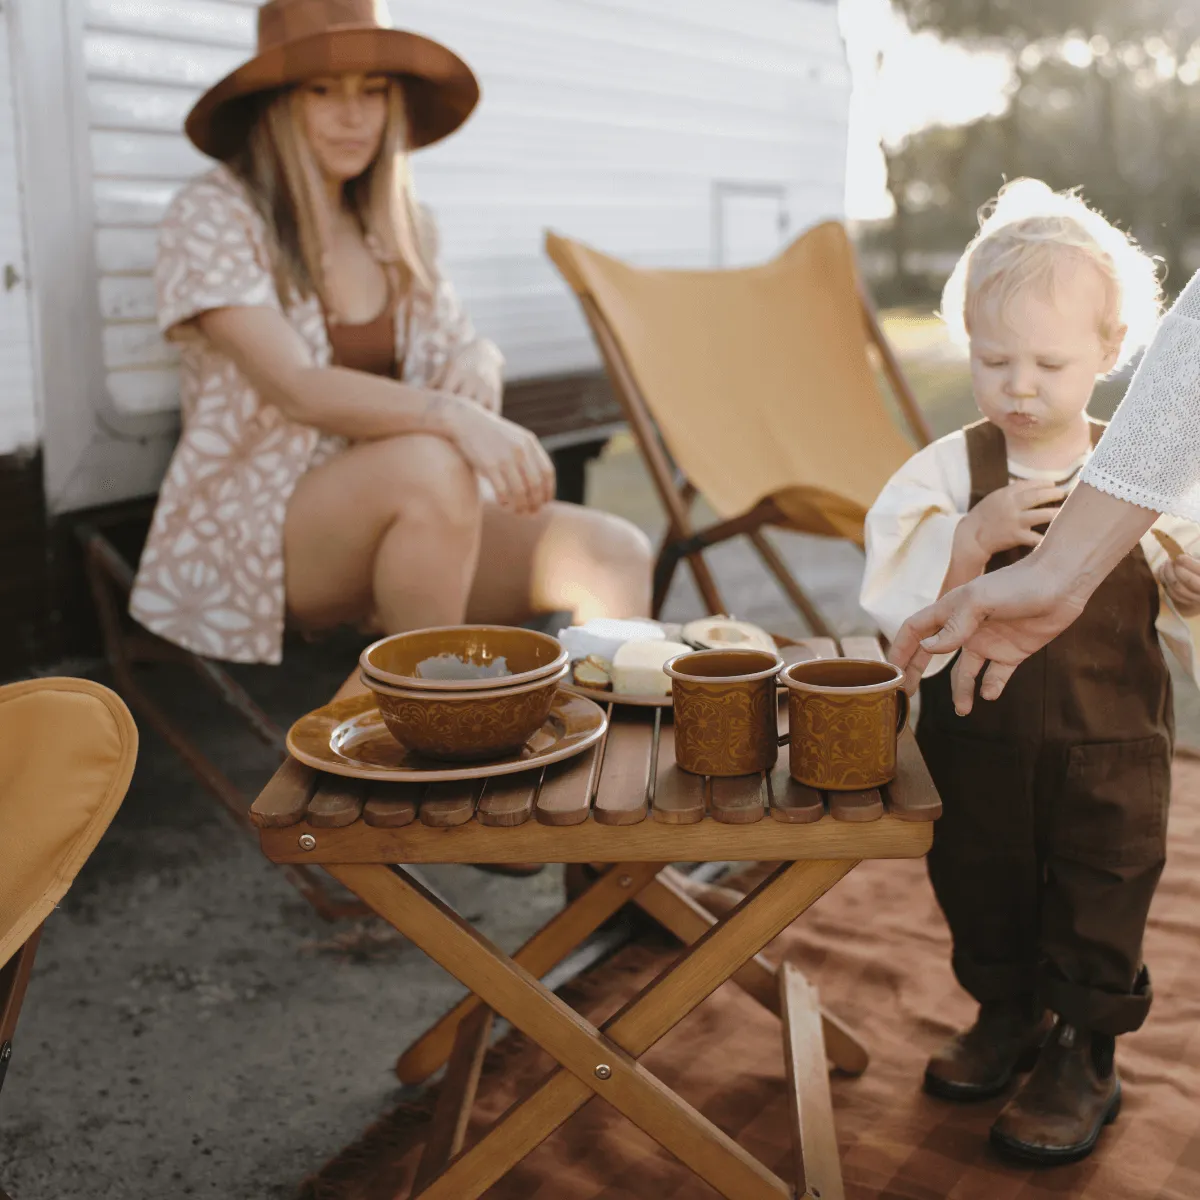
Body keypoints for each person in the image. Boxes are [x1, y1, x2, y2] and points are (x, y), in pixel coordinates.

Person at [129, 0, 652, 672]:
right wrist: (456, 416)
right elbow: (295, 388)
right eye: (324, 91)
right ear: (279, 102)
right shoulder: (214, 213)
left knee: (615, 553)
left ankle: (594, 769)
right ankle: (435, 726)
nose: (354, 115)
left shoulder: (401, 227)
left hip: (419, 514)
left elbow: (458, 346)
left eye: (372, 93)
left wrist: (481, 359)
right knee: (432, 466)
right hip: (263, 532)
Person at [861, 180, 1200, 1164]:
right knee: (981, 877)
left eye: (1049, 363)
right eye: (993, 357)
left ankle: (1084, 1053)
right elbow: (894, 599)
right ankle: (1006, 1012)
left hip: (1112, 749)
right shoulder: (944, 474)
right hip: (980, 747)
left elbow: (1183, 610)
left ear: (1113, 353)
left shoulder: (1146, 479)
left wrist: (1185, 581)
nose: (1018, 385)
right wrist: (968, 543)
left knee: (1104, 885)